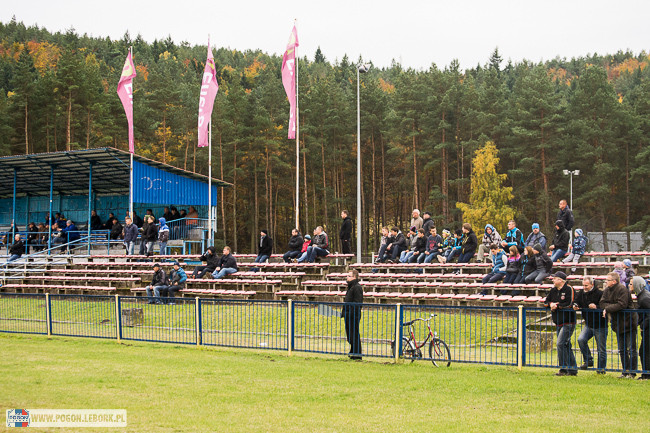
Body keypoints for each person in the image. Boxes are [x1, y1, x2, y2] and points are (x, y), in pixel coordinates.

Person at [600, 272, 638, 378]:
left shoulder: (622, 290)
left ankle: (632, 372)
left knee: (631, 349)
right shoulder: (607, 290)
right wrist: (610, 307)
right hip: (618, 323)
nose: (606, 282)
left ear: (614, 281)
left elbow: (622, 304)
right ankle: (625, 371)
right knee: (622, 349)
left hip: (629, 322)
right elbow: (602, 303)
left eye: (608, 280)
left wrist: (608, 308)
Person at [545, 271, 578, 376]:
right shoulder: (553, 290)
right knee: (566, 344)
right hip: (558, 321)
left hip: (568, 321)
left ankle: (563, 369)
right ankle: (572, 369)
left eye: (554, 278)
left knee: (560, 343)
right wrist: (551, 304)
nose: (553, 280)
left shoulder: (569, 289)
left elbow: (570, 303)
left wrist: (557, 306)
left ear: (560, 280)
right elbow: (546, 302)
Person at [573, 276, 608, 373]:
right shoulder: (581, 293)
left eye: (586, 285)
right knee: (581, 340)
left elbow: (605, 306)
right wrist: (575, 305)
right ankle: (588, 360)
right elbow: (576, 301)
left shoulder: (600, 293)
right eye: (583, 285)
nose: (584, 287)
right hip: (588, 324)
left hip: (600, 325)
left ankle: (601, 369)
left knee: (601, 349)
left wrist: (596, 307)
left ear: (592, 284)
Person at [341, 269, 363, 360]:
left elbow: (358, 302)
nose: (347, 277)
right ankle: (353, 351)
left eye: (349, 276)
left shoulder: (357, 287)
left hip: (353, 315)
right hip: (348, 314)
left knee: (354, 334)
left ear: (354, 277)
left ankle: (357, 354)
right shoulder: (351, 287)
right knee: (350, 335)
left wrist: (351, 313)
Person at [632, 276, 650, 380]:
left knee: (645, 351)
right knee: (644, 351)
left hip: (648, 329)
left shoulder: (644, 298)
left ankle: (647, 374)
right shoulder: (642, 296)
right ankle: (645, 374)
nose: (629, 286)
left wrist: (643, 326)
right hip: (647, 328)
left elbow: (649, 315)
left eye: (631, 284)